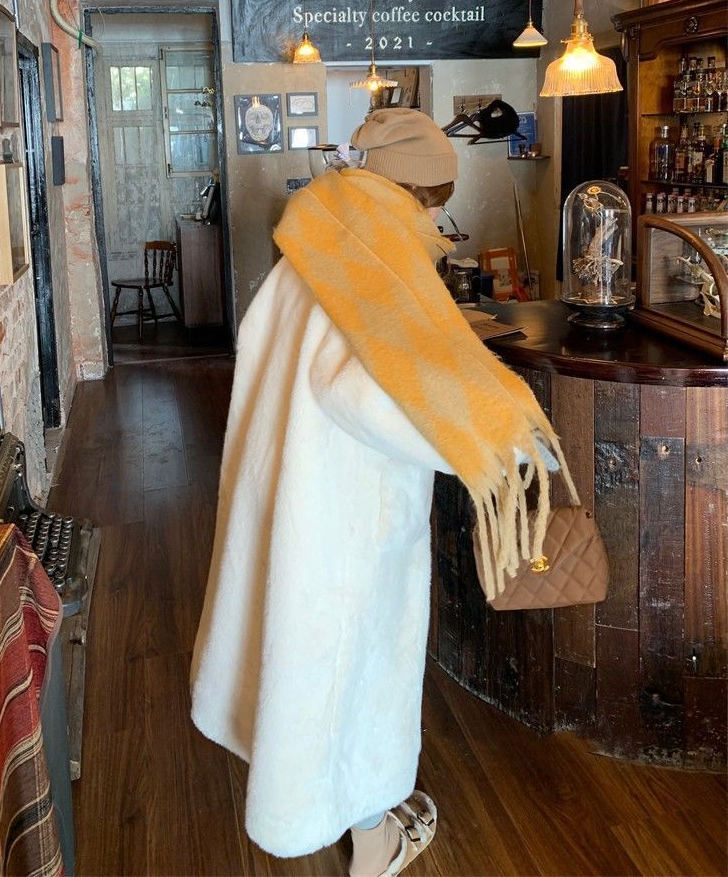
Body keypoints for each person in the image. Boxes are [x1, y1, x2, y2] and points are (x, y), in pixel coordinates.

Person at [190, 108, 575, 876]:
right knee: (349, 670)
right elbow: (366, 393)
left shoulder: (323, 240)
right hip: (344, 514)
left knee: (309, 661)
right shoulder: (377, 256)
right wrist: (494, 437)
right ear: (417, 192)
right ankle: (374, 842)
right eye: (435, 201)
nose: (435, 219)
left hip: (297, 491)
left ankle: (360, 810)